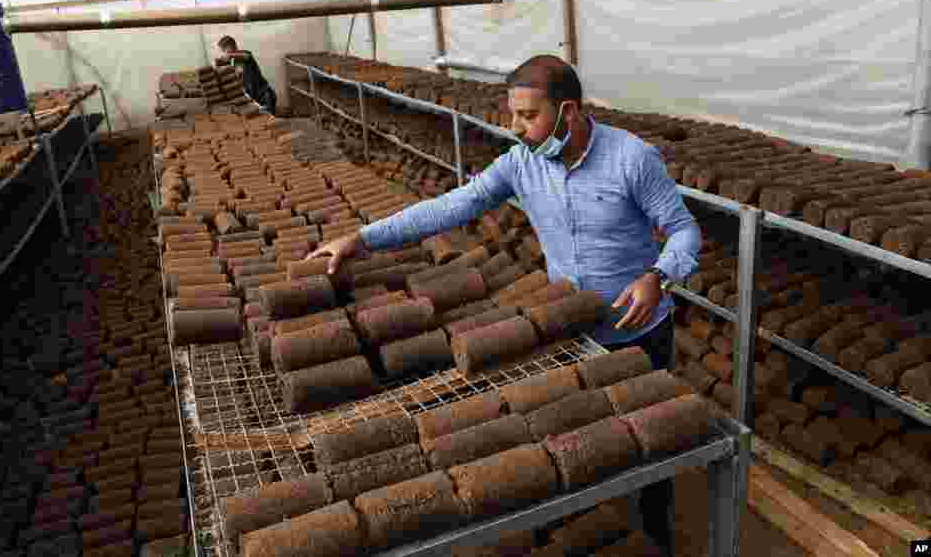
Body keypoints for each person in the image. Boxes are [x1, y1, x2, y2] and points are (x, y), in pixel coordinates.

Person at [307, 54, 701, 556]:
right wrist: (360, 239)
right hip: (572, 332)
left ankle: (655, 537)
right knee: (576, 442)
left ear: (569, 113)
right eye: (512, 114)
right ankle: (584, 536)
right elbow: (452, 206)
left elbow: (685, 230)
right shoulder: (521, 163)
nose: (515, 127)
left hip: (640, 333)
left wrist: (658, 278)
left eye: (528, 116)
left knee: (654, 450)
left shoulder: (631, 159)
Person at [216, 35, 278, 114]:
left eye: (224, 49)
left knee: (268, 120)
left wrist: (230, 55)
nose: (224, 53)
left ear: (232, 46)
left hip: (265, 96)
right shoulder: (235, 62)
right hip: (255, 98)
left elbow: (246, 56)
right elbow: (239, 77)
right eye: (222, 50)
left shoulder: (244, 54)